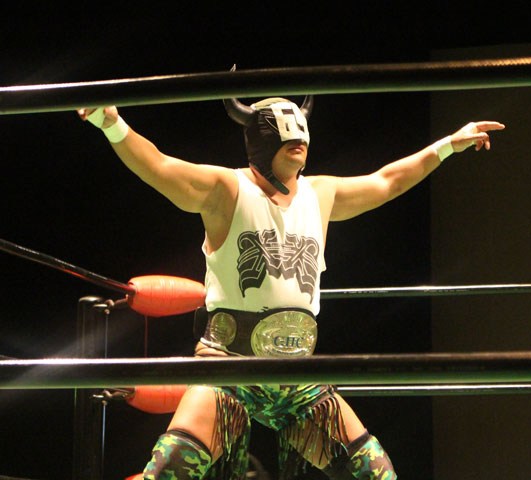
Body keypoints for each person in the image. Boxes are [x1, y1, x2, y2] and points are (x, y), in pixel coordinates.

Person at [78, 97, 504, 480]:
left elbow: (387, 180)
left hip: (296, 376)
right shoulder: (227, 189)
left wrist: (448, 145)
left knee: (374, 472)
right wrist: (111, 122)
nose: (298, 143)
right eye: (286, 138)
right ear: (262, 141)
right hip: (228, 368)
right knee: (170, 469)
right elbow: (158, 166)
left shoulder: (321, 193)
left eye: (302, 137)